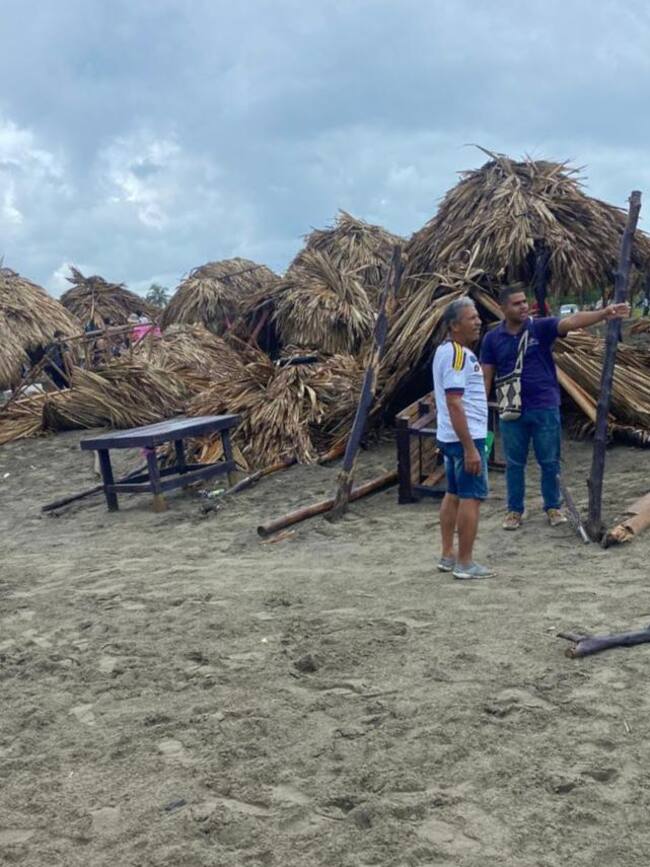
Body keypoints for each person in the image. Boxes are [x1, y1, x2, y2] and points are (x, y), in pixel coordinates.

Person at [481, 285, 630, 530]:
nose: (523, 306)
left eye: (524, 301)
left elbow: (571, 321)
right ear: (503, 308)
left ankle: (552, 506)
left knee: (550, 461)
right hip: (511, 409)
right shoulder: (492, 339)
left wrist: (604, 313)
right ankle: (514, 510)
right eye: (516, 303)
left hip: (544, 405)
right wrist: (480, 410)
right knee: (514, 463)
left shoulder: (540, 327)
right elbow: (486, 376)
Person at [432, 298, 494, 580]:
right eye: (471, 318)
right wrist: (470, 448)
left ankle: (448, 555)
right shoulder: (457, 355)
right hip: (465, 437)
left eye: (477, 317)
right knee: (472, 496)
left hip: (451, 436)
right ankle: (465, 562)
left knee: (454, 493)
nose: (478, 322)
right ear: (454, 326)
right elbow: (454, 402)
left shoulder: (446, 352)